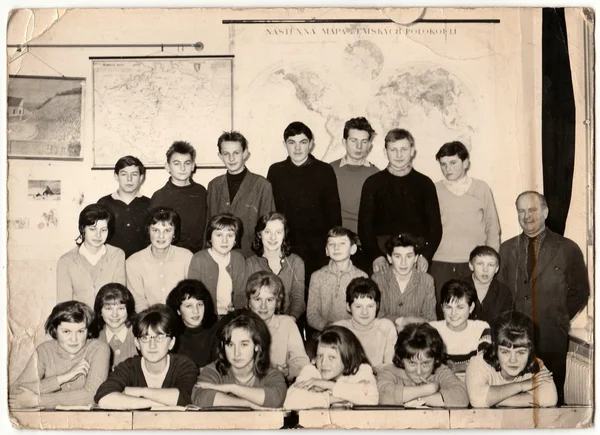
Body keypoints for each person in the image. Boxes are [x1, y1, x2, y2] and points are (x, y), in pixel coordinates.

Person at [498, 191, 589, 405]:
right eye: (521, 211)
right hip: (514, 342)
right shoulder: (506, 248)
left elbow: (581, 291)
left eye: (532, 210)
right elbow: (501, 292)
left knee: (551, 401)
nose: (527, 216)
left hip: (551, 337)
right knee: (515, 400)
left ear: (545, 212)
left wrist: (559, 316)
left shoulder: (567, 248)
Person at [267, 121, 342, 284]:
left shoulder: (324, 170)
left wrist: (332, 244)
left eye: (303, 142)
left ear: (311, 144)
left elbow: (333, 212)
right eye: (292, 143)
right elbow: (271, 212)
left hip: (317, 247)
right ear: (285, 144)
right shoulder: (276, 171)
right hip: (286, 245)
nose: (297, 148)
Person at [358, 128, 442, 274]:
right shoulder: (372, 183)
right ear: (385, 152)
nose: (399, 155)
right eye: (393, 150)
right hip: (382, 255)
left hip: (416, 255)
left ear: (412, 151)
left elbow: (435, 228)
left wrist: (425, 256)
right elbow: (364, 227)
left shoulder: (425, 183)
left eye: (404, 149)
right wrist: (376, 255)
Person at [430, 141, 501, 304]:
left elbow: (492, 227)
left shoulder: (481, 188)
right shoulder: (434, 189)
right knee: (443, 309)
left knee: (472, 309)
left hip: (473, 264)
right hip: (441, 263)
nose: (448, 169)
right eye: (443, 164)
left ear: (466, 162)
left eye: (453, 163)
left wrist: (488, 261)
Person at [9, 301, 110, 409]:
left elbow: (92, 395)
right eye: (66, 332)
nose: (74, 339)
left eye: (80, 331)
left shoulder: (99, 349)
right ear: (55, 330)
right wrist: (63, 378)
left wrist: (37, 400)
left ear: (88, 330)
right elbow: (15, 392)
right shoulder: (45, 350)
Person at [94, 304, 199, 409]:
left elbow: (186, 398)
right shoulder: (129, 367)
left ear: (171, 342)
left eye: (160, 337)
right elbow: (103, 397)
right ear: (137, 343)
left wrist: (140, 391)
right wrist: (153, 404)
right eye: (145, 337)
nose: (152, 345)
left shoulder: (184, 365)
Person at [191, 310, 287, 409]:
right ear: (223, 346)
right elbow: (200, 397)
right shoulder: (214, 370)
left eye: (244, 344)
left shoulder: (271, 374)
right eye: (230, 345)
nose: (236, 353)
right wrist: (246, 403)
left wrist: (232, 388)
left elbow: (276, 398)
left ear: (257, 346)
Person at [466, 311, 557, 408]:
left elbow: (550, 399)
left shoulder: (535, 364)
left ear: (530, 351)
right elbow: (477, 400)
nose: (513, 360)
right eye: (505, 352)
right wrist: (521, 386)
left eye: (520, 352)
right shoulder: (478, 363)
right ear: (495, 350)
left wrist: (492, 399)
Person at [207, 131, 276, 258]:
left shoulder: (262, 185)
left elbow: (269, 229)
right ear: (220, 156)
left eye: (236, 153)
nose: (231, 159)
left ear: (245, 153)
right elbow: (209, 226)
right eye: (226, 154)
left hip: (250, 258)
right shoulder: (214, 185)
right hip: (219, 257)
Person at [283, 325, 378, 409]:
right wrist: (332, 399)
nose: (323, 363)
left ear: (348, 357)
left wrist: (326, 385)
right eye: (320, 356)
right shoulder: (311, 371)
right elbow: (290, 402)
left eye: (332, 357)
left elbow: (372, 398)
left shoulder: (362, 370)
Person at [329, 117, 379, 273]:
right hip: (335, 246)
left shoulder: (376, 175)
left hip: (365, 247)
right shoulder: (328, 171)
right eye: (353, 140)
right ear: (344, 142)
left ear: (370, 145)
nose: (359, 146)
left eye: (364, 142)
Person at [377, 323, 468, 407]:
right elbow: (383, 396)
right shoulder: (389, 372)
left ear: (435, 360)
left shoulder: (440, 371)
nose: (419, 371)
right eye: (412, 363)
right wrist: (430, 389)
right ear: (401, 359)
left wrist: (419, 399)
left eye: (425, 363)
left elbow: (462, 396)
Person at [56, 204, 126, 307]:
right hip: (78, 320)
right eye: (92, 229)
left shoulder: (117, 255)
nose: (98, 235)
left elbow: (119, 299)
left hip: (109, 320)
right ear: (83, 229)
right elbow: (63, 305)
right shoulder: (66, 261)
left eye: (103, 230)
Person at [246, 271, 310, 381]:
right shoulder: (239, 326)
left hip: (279, 386)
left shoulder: (287, 323)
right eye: (257, 299)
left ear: (278, 302)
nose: (263, 306)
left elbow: (300, 361)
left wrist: (288, 371)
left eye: (269, 300)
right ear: (249, 302)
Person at [126, 207, 192, 311]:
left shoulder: (186, 257)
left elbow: (191, 297)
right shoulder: (133, 262)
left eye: (167, 230)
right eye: (155, 230)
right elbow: (139, 303)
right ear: (148, 231)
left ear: (174, 233)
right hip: (149, 321)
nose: (161, 236)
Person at [245, 212, 305, 321]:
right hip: (257, 323)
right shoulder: (249, 263)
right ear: (259, 234)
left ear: (284, 234)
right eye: (267, 232)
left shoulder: (296, 262)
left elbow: (298, 298)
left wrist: (290, 320)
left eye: (278, 232)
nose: (273, 237)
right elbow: (246, 300)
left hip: (287, 321)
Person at [150, 141, 207, 253]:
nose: (182, 168)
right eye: (176, 163)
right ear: (168, 167)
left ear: (193, 166)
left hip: (199, 255)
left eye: (187, 163)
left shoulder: (201, 192)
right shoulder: (159, 196)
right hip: (171, 256)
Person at [306, 227, 367, 332]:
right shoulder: (317, 276)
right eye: (331, 244)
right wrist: (329, 326)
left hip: (353, 333)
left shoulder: (362, 277)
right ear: (326, 251)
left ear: (353, 249)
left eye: (342, 243)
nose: (336, 248)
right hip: (325, 333)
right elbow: (312, 314)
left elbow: (364, 313)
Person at [187, 213, 247, 316]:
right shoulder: (199, 259)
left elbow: (242, 295)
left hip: (232, 317)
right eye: (219, 235)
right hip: (206, 317)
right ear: (210, 237)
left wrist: (235, 312)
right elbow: (195, 296)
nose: (225, 240)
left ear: (235, 240)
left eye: (230, 235)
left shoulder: (238, 259)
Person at [373, 233, 436, 328]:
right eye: (397, 256)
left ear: (416, 258)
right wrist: (403, 321)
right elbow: (376, 316)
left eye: (409, 256)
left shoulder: (427, 281)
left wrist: (405, 322)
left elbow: (431, 319)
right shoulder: (378, 280)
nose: (403, 262)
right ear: (389, 258)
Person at [333, 277, 397, 369]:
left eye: (370, 306)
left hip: (379, 379)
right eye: (358, 306)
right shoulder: (338, 329)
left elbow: (390, 367)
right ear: (348, 306)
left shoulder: (386, 328)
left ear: (377, 306)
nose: (365, 312)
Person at [429, 279, 491, 373]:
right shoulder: (432, 329)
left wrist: (456, 367)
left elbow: (484, 362)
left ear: (471, 308)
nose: (454, 313)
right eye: (448, 307)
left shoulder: (481, 329)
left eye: (460, 307)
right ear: (442, 308)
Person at [97, 155, 151, 258]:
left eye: (134, 174)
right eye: (124, 174)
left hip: (141, 264)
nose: (129, 179)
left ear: (141, 178)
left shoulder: (149, 204)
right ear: (116, 176)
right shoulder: (103, 203)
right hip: (111, 263)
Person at [165, 279, 219, 369]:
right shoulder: (171, 333)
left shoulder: (216, 330)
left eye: (200, 304)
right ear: (178, 310)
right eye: (189, 306)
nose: (196, 311)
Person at [93, 283, 138, 371]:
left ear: (128, 309)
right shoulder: (94, 337)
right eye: (108, 309)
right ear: (100, 311)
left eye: (121, 308)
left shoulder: (138, 333)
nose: (115, 314)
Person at [467, 246, 513, 324]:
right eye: (480, 264)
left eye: (490, 265)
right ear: (471, 266)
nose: (485, 269)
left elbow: (506, 323)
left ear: (496, 269)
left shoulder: (503, 292)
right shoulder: (458, 287)